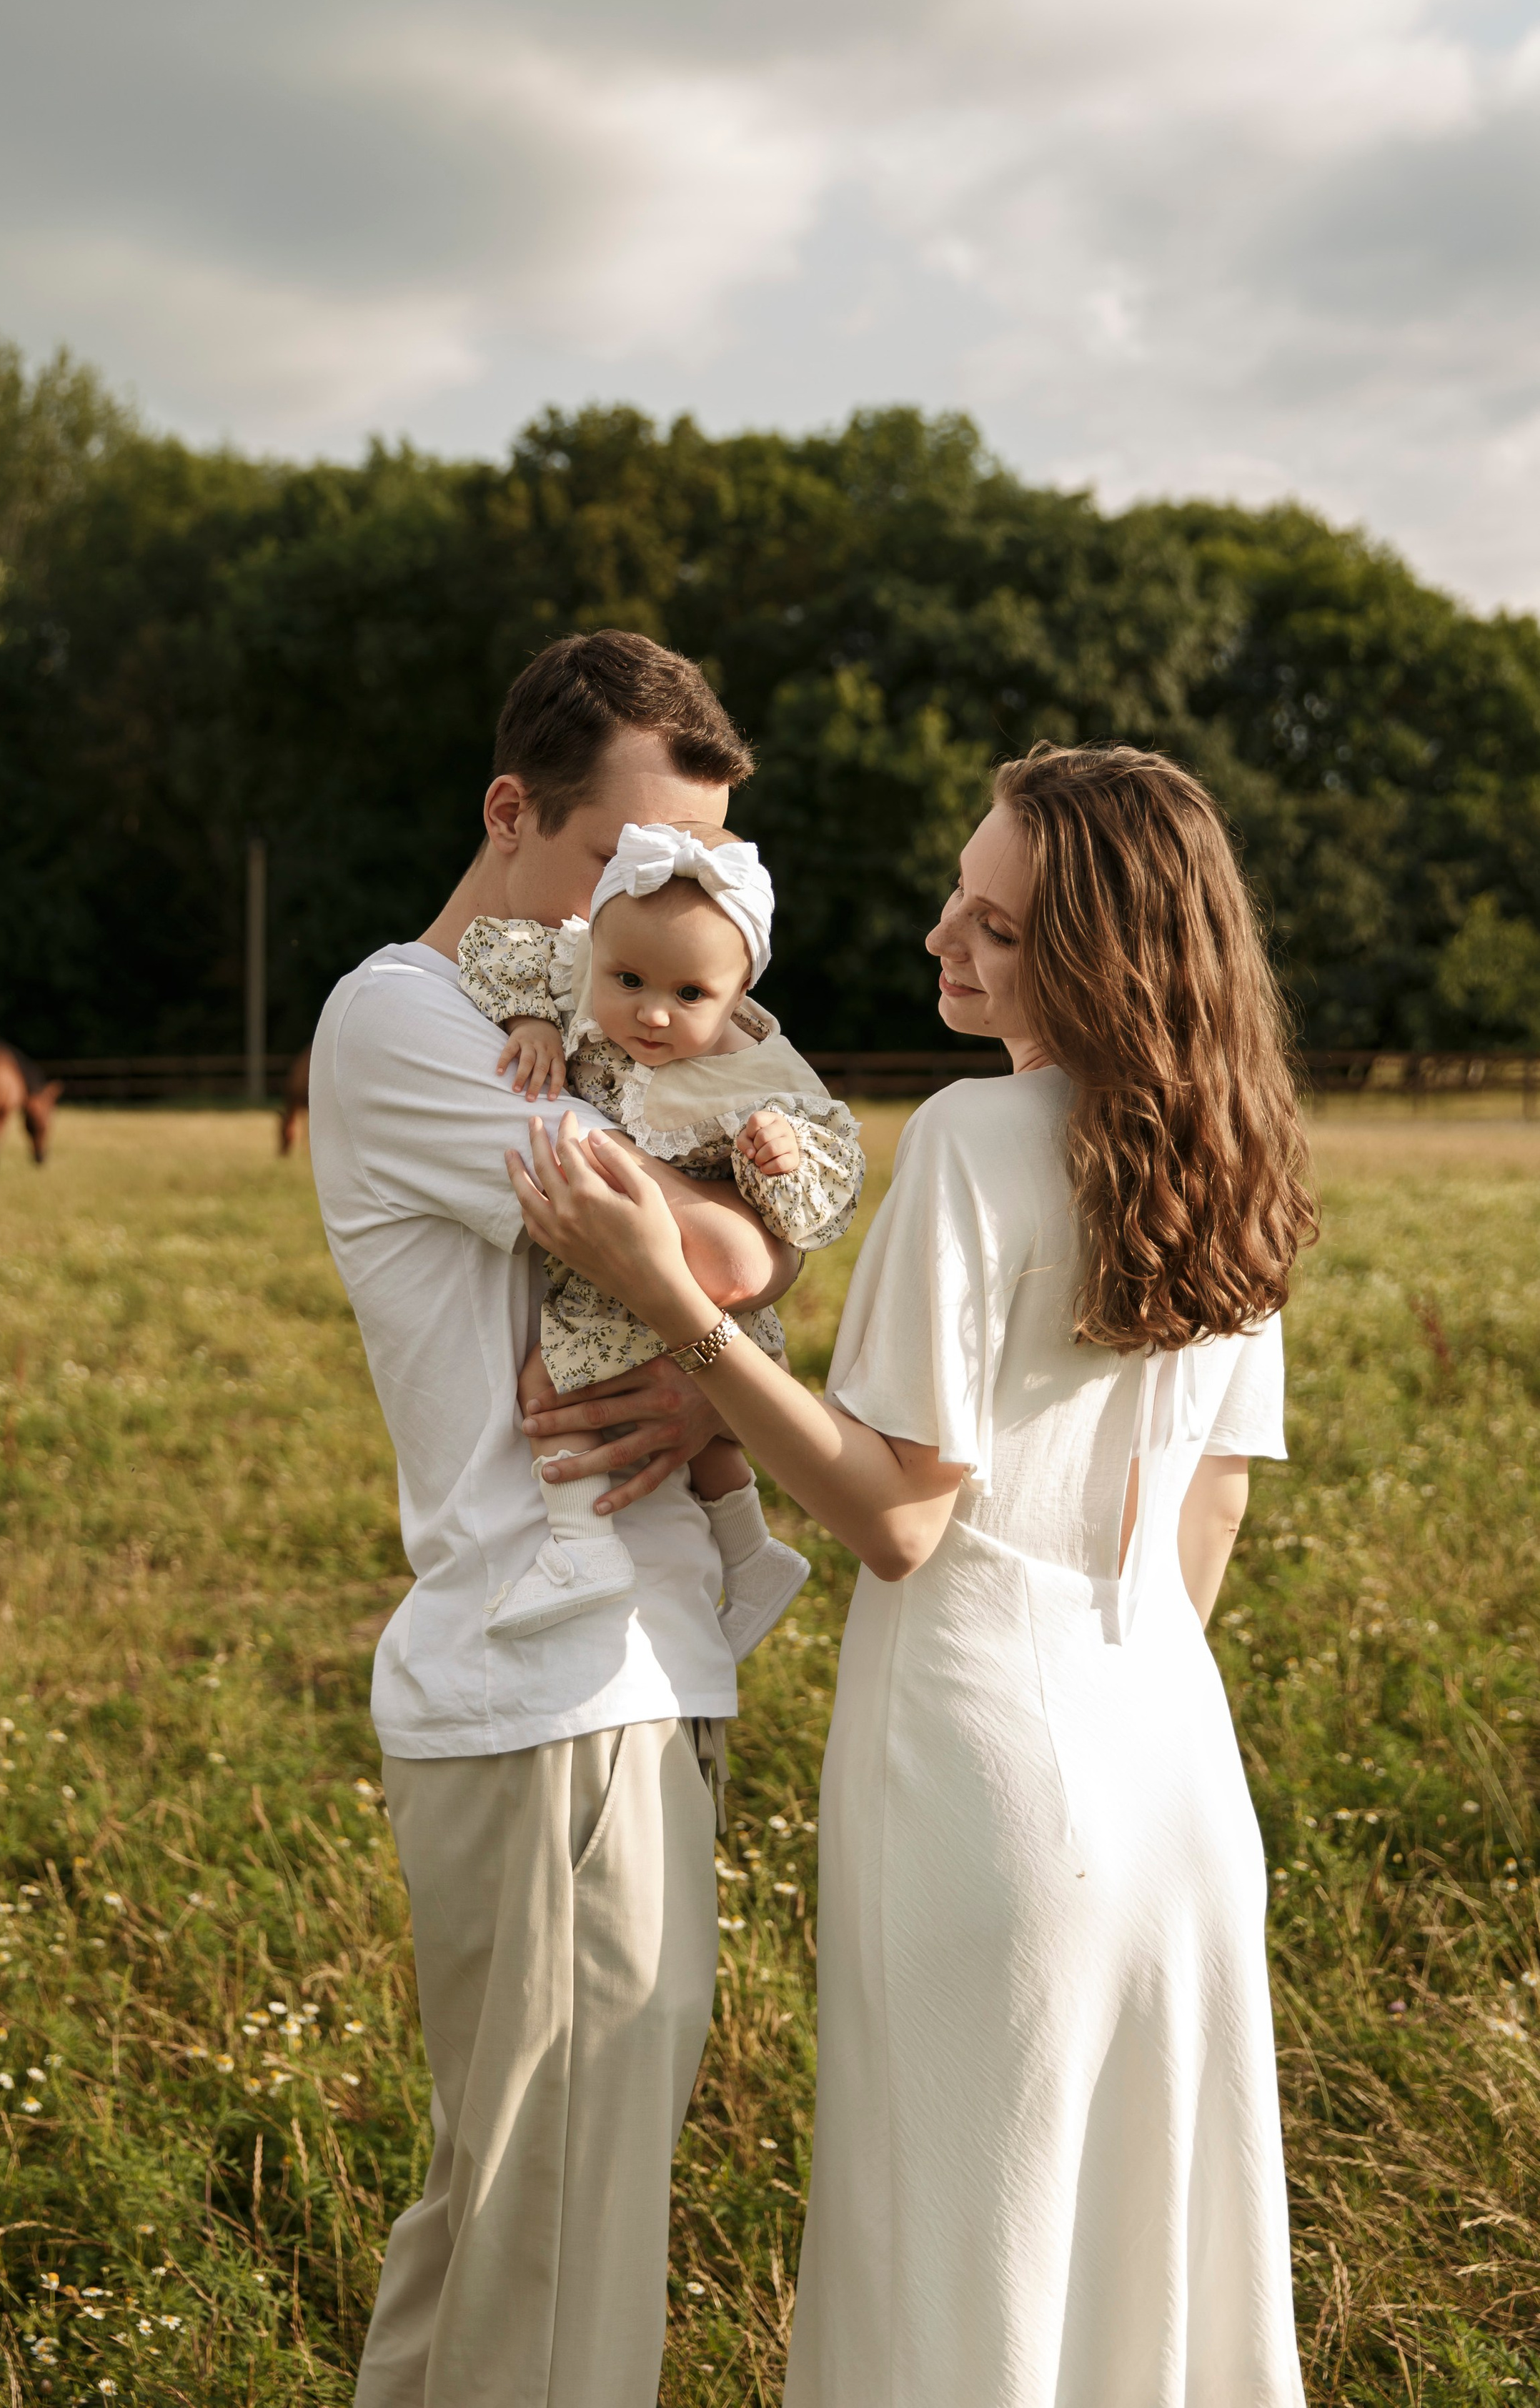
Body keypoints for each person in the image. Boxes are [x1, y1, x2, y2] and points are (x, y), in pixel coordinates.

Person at [511, 742, 1318, 2408]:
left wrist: (678, 1311)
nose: (942, 935)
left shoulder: (969, 1137)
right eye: (957, 894)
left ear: (1102, 954)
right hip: (1172, 1765)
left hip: (974, 1764)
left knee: (950, 2263)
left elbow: (894, 1517)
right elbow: (1208, 1511)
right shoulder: (1236, 1147)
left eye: (995, 925)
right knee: (1141, 2269)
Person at [307, 630, 799, 2408]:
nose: (666, 919)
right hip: (545, 1677)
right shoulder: (409, 1019)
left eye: (703, 880)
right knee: (547, 2255)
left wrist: (708, 1322)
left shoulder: (631, 1024)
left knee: (534, 2232)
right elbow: (729, 1229)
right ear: (509, 814)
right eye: (626, 863)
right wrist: (719, 1289)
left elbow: (778, 1187)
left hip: (629, 1666)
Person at [458, 815, 863, 1648]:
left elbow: (827, 1187)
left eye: (688, 997)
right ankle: (753, 1554)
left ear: (739, 992)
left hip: (666, 1275)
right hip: (659, 1273)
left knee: (546, 1387)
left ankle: (580, 1546)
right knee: (705, 1441)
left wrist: (777, 1158)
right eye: (628, 980)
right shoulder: (575, 976)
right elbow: (501, 951)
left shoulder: (754, 1073)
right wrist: (530, 1020)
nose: (650, 1015)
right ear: (595, 952)